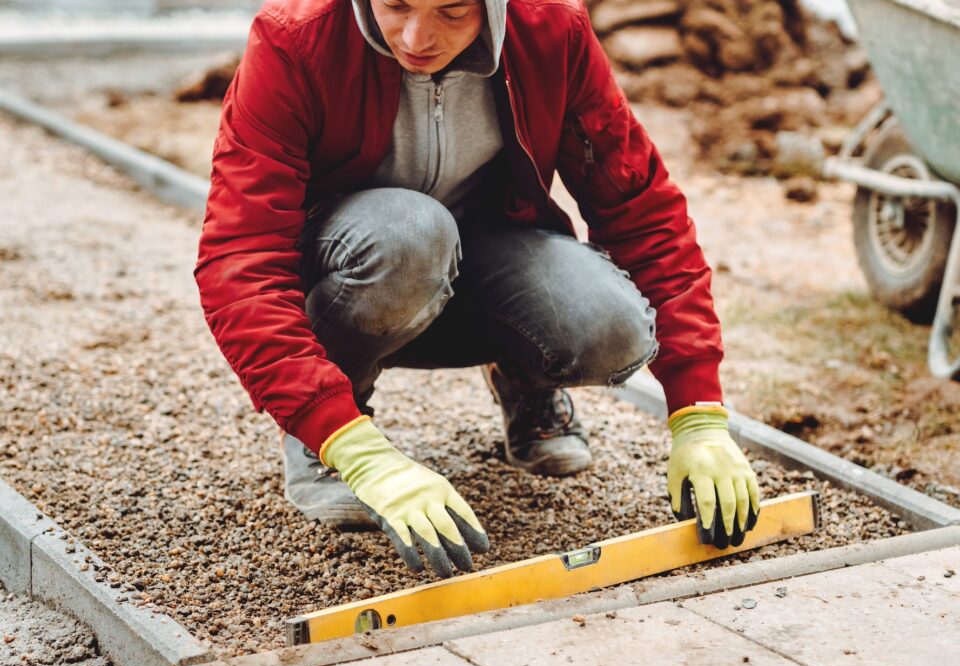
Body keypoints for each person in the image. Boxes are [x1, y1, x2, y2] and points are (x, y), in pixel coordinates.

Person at [195, 0, 762, 578]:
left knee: (611, 326)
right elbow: (238, 260)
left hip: (484, 255)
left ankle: (523, 375)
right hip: (361, 270)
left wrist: (699, 414)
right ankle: (330, 442)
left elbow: (642, 211)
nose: (418, 37)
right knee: (411, 233)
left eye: (453, 11)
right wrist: (342, 436)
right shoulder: (297, 39)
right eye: (396, 5)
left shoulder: (552, 31)